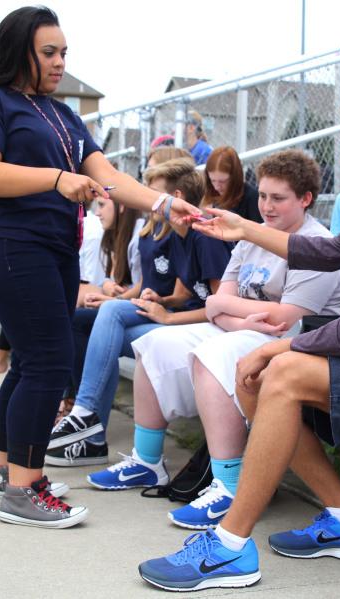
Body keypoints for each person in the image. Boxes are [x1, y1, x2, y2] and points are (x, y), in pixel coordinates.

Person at [137, 89, 340, 591]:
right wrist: (242, 228)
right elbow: (330, 250)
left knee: (280, 369)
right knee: (256, 379)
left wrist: (274, 346)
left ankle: (228, 547)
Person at [0, 6, 199, 529]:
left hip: (53, 251)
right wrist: (54, 179)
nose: (60, 62)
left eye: (64, 52)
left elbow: (108, 175)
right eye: (49, 52)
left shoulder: (63, 115)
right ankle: (25, 490)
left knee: (29, 360)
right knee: (49, 361)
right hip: (12, 247)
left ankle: (4, 471)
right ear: (20, 50)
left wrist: (163, 205)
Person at [86, 150, 340, 532]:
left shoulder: (316, 242)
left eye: (279, 199)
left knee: (212, 354)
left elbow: (283, 319)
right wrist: (231, 309)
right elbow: (215, 301)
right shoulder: (252, 236)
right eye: (263, 196)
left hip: (296, 344)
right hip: (246, 329)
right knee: (157, 342)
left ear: (306, 199)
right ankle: (147, 463)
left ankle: (228, 484)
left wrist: (228, 308)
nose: (267, 207)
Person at [46, 158, 231, 465]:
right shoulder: (176, 234)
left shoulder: (203, 237)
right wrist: (161, 299)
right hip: (183, 322)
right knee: (108, 328)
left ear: (178, 198)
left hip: (204, 331)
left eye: (154, 193)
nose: (147, 199)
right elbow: (185, 293)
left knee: (111, 317)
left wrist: (169, 316)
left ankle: (87, 421)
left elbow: (221, 309)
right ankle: (89, 429)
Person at [202, 146, 263, 223]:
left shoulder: (252, 197)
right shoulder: (215, 193)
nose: (217, 187)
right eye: (212, 180)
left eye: (222, 181)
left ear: (235, 177)